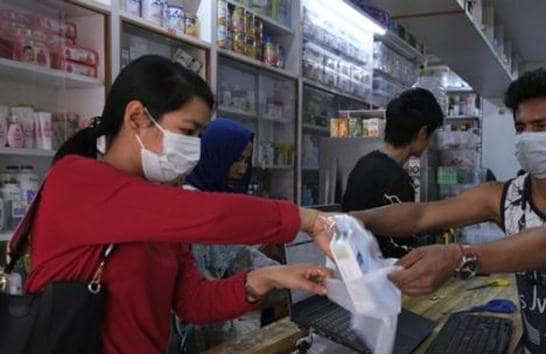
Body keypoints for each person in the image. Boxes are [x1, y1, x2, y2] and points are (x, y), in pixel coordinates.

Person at [24, 55, 333, 354]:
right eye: (187, 131)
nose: (194, 147)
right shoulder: (77, 181)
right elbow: (212, 216)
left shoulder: (158, 205)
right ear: (136, 117)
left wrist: (268, 278)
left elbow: (193, 300)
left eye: (200, 135)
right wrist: (306, 219)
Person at [353, 66, 546, 353]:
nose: (527, 137)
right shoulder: (506, 195)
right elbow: (421, 215)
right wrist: (349, 220)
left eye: (541, 127)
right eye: (521, 128)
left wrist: (459, 257)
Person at [171, 118, 287, 352]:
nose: (242, 169)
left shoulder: (214, 204)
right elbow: (200, 305)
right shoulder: (193, 209)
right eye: (236, 159)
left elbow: (235, 258)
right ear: (214, 154)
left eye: (246, 160)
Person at [342, 88, 444, 258]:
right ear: (422, 133)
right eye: (431, 136)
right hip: (382, 274)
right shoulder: (398, 180)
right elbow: (400, 248)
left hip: (357, 268)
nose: (429, 144)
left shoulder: (364, 163)